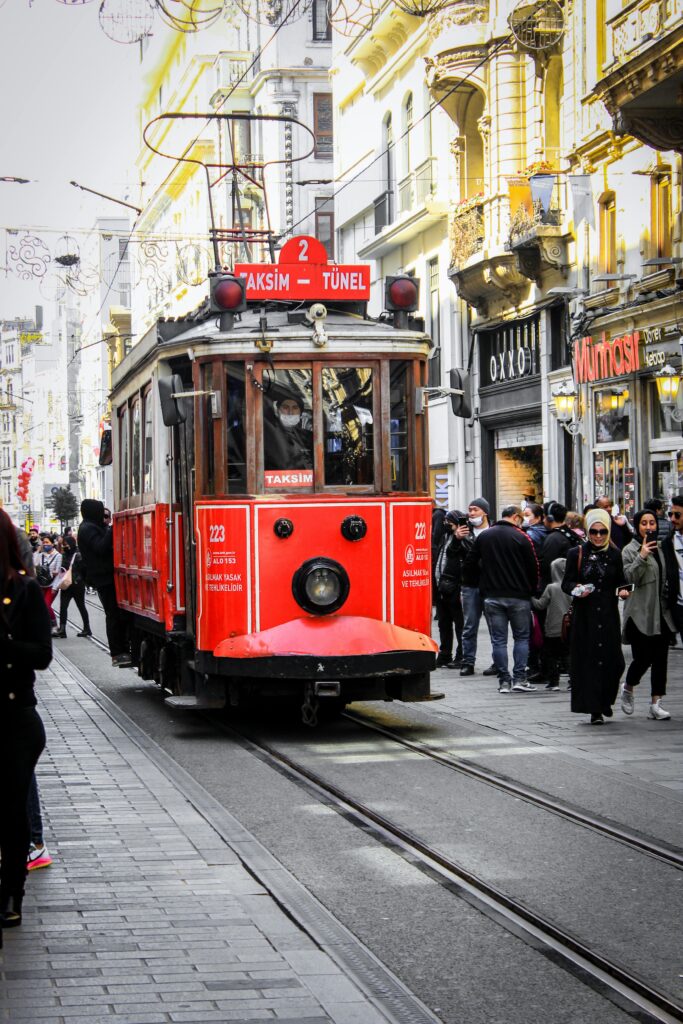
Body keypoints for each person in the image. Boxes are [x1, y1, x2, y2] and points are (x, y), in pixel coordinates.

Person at [0, 508, 51, 927]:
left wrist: (7, 645)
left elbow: (43, 655)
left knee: (11, 811)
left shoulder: (24, 591)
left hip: (15, 716)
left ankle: (11, 895)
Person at [562, 508, 630, 724]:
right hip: (585, 617)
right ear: (587, 531)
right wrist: (577, 589)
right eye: (594, 532)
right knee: (589, 662)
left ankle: (606, 700)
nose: (598, 536)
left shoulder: (614, 554)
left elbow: (622, 580)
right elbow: (566, 583)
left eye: (602, 531)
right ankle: (595, 710)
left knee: (615, 662)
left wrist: (624, 590)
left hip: (608, 615)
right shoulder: (576, 553)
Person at [463, 504, 539, 693]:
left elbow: (470, 564)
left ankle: (504, 680)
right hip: (519, 596)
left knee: (498, 640)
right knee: (521, 638)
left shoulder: (485, 536)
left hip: (492, 595)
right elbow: (533, 567)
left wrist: (482, 584)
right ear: (515, 517)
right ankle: (519, 678)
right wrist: (531, 590)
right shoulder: (522, 537)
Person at [620, 509, 676, 721]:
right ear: (637, 526)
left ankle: (656, 703)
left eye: (652, 522)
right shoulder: (629, 550)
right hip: (639, 613)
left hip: (661, 613)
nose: (649, 527)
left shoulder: (662, 549)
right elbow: (629, 579)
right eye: (644, 523)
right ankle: (628, 685)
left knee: (661, 659)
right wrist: (642, 556)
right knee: (643, 658)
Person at [77, 499, 131, 667]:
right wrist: (112, 529)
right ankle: (117, 652)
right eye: (100, 511)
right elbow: (100, 547)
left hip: (104, 576)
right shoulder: (88, 529)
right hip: (103, 577)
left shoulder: (90, 527)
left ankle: (121, 649)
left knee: (115, 613)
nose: (103, 515)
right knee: (113, 614)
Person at [453, 498, 496, 677]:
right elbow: (451, 555)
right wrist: (456, 540)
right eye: (469, 510)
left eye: (475, 510)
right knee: (470, 625)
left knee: (495, 626)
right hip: (470, 584)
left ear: (485, 512)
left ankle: (497, 662)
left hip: (491, 584)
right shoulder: (464, 532)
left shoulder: (494, 531)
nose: (471, 513)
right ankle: (468, 661)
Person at [531, 557, 572, 690]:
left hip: (553, 627)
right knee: (567, 654)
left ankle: (554, 682)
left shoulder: (551, 587)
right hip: (568, 627)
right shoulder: (571, 587)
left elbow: (541, 605)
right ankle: (574, 681)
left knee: (551, 655)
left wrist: (530, 597)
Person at [433, 510, 465, 668]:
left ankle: (461, 655)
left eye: (449, 522)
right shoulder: (444, 537)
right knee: (444, 623)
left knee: (460, 623)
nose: (445, 524)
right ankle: (445, 654)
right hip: (441, 586)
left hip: (455, 586)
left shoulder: (463, 539)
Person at [54, 533, 91, 639]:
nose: (65, 546)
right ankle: (62, 629)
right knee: (63, 607)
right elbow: (62, 569)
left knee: (81, 606)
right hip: (67, 585)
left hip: (77, 585)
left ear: (71, 543)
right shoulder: (64, 555)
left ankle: (87, 628)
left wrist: (81, 580)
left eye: (66, 544)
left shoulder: (78, 554)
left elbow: (84, 570)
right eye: (63, 544)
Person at [264, 393, 313, 472]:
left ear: (300, 412)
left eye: (295, 408)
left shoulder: (308, 436)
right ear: (278, 411)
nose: (290, 412)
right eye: (285, 407)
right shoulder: (269, 436)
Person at [539, 502, 580, 588]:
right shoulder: (570, 534)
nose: (543, 520)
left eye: (544, 517)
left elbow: (546, 568)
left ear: (550, 518)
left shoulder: (553, 539)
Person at [664, 494, 683, 641]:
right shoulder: (668, 541)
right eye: (671, 514)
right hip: (679, 605)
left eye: (677, 515)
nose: (673, 519)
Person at [33, 535, 62, 628]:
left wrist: (55, 587)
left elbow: (58, 574)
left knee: (46, 605)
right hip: (41, 585)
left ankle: (54, 625)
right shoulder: (41, 555)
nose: (45, 545)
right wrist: (38, 550)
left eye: (47, 542)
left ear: (52, 544)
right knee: (40, 606)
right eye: (44, 543)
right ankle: (45, 625)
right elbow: (33, 563)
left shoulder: (58, 556)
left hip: (52, 585)